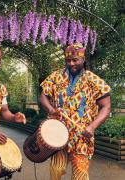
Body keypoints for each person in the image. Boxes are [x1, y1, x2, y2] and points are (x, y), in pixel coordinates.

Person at [40, 42, 111, 180]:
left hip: (82, 136)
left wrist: (92, 126)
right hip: (58, 134)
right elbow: (43, 95)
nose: (71, 63)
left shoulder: (94, 80)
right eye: (68, 60)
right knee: (56, 170)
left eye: (75, 60)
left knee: (80, 175)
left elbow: (106, 106)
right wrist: (51, 109)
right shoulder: (55, 77)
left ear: (83, 59)